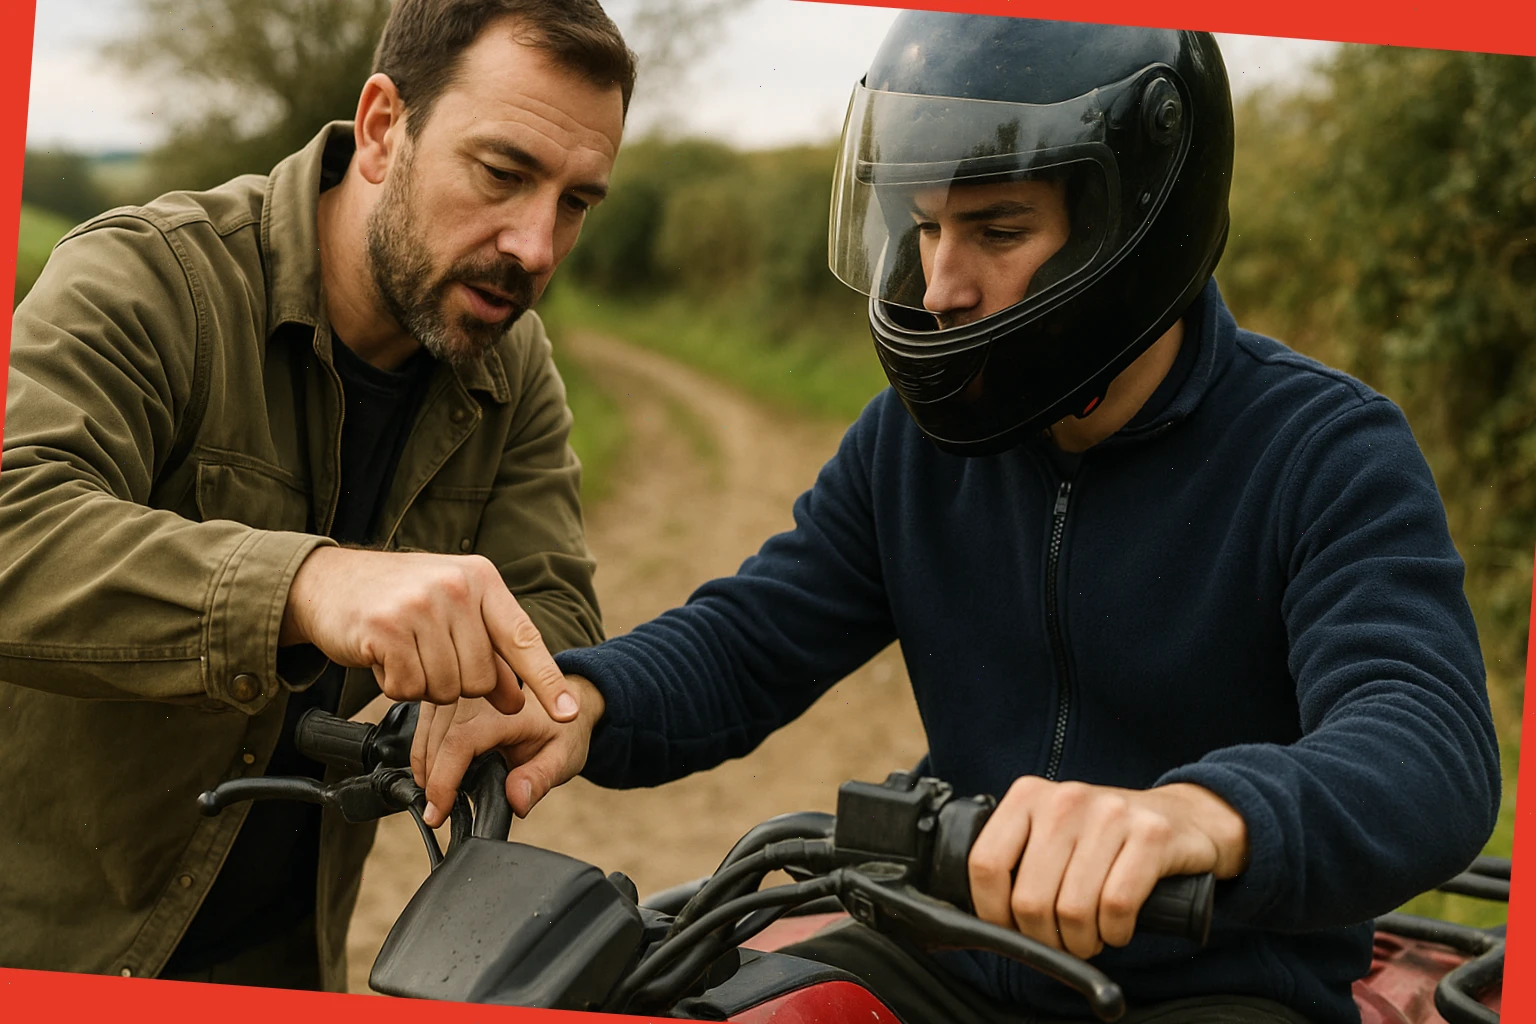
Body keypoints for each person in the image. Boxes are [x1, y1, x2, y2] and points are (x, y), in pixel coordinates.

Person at [411, 14, 1501, 1024]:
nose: (939, 286)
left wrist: (1194, 818)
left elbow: (1427, 743)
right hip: (952, 948)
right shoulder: (914, 444)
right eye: (925, 229)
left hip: (1215, 982)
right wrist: (583, 697)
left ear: (1133, 221)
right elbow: (753, 636)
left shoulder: (1322, 450)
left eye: (997, 229)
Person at [0, 0, 634, 993]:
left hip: (288, 969)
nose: (537, 246)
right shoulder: (145, 278)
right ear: (384, 127)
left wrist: (507, 689)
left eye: (576, 202)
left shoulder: (512, 364)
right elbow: (15, 534)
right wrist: (308, 585)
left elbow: (550, 603)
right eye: (504, 174)